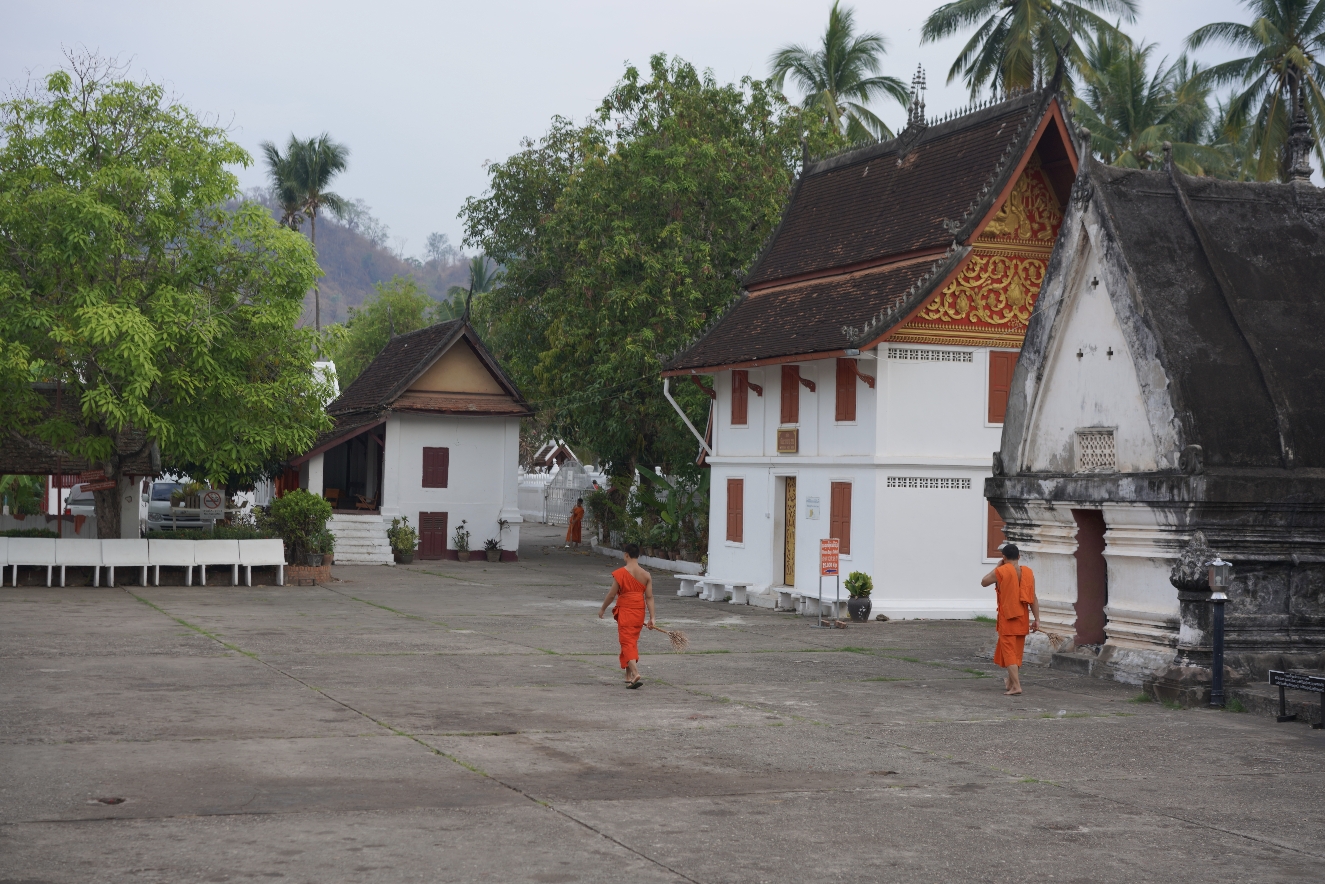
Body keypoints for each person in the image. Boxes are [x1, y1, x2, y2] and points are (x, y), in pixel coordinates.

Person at [980, 543, 1040, 696]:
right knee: (1017, 652)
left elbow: (984, 582)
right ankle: (1010, 682)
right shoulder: (1027, 572)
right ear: (1019, 557)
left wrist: (997, 567)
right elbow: (1033, 598)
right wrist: (1037, 619)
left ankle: (1016, 686)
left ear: (1004, 557)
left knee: (1009, 653)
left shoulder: (1001, 571)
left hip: (1008, 617)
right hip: (1023, 617)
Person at [597, 542, 655, 688]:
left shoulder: (621, 573)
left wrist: (603, 608)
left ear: (626, 555)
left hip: (626, 610)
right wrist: (652, 617)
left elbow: (611, 595)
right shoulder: (646, 575)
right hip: (639, 611)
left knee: (626, 641)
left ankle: (635, 674)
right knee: (631, 640)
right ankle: (628, 675)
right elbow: (649, 597)